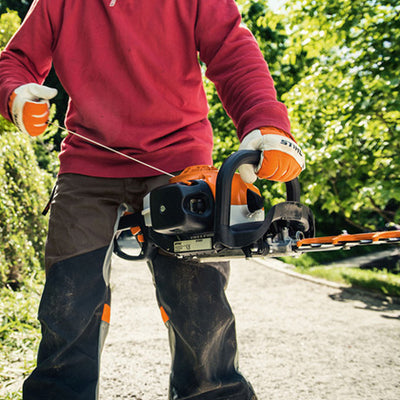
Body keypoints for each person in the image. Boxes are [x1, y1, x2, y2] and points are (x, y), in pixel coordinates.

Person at [0, 1, 305, 399]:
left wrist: (265, 122)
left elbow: (233, 51)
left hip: (180, 164)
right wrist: (15, 96)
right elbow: (17, 59)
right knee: (69, 301)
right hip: (87, 163)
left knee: (198, 303)